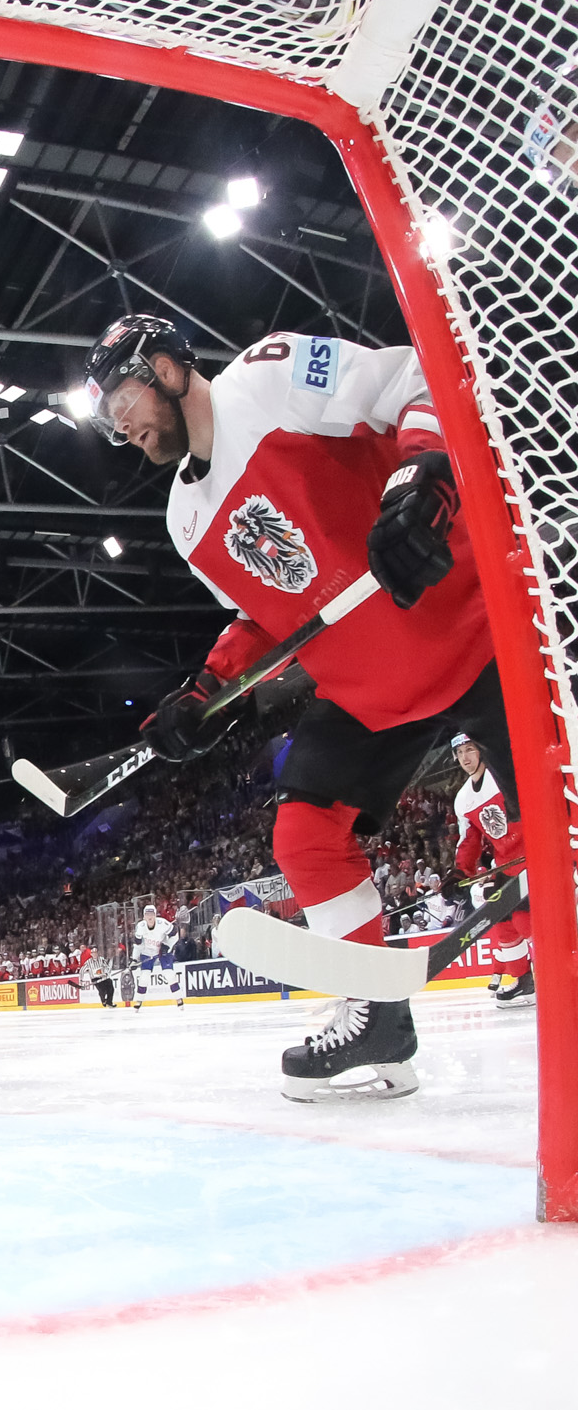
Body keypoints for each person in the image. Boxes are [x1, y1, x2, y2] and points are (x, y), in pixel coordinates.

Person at [87, 312, 510, 1102]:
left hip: (477, 625)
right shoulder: (184, 521)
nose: (119, 421)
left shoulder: (269, 374)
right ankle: (377, 1014)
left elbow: (409, 379)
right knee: (305, 832)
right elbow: (266, 613)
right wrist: (203, 690)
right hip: (370, 689)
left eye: (121, 393)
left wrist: (424, 477)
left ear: (169, 365)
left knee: (552, 834)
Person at [451, 732, 534, 1007]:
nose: (465, 758)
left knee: (526, 921)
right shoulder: (463, 799)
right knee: (503, 925)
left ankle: (561, 972)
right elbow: (469, 840)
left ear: (481, 750)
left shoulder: (504, 776)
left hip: (532, 858)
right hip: (506, 866)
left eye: (470, 750)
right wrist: (460, 872)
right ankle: (525, 982)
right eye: (460, 753)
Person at [131, 904, 182, 1010]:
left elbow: (175, 934)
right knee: (144, 977)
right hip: (147, 951)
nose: (149, 917)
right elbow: (138, 945)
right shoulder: (140, 927)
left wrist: (166, 946)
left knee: (169, 974)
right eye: (147, 914)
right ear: (144, 916)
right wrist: (134, 959)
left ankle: (179, 999)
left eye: (152, 914)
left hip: (162, 949)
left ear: (155, 915)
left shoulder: (162, 923)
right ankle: (139, 1000)